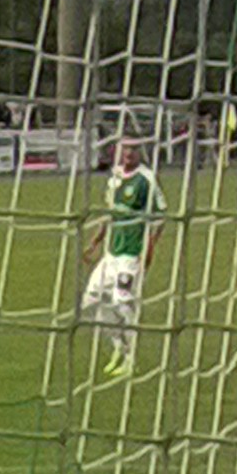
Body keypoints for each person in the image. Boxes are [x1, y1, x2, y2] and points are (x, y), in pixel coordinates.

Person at [76, 138, 163, 380]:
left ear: (140, 151)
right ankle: (119, 347)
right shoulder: (114, 177)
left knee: (122, 304)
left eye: (134, 148)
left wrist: (150, 248)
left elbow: (160, 218)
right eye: (125, 148)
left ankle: (130, 360)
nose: (129, 153)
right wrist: (95, 242)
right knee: (90, 301)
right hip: (111, 255)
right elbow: (110, 214)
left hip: (130, 256)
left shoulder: (146, 179)